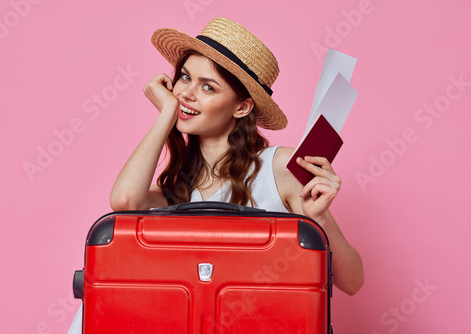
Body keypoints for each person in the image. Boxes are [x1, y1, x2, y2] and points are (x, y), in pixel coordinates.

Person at [68, 16, 363, 333]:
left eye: (207, 87)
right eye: (184, 77)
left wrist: (319, 218)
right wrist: (166, 115)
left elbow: (352, 281)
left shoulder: (281, 167)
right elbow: (124, 202)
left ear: (241, 107)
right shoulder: (178, 188)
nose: (186, 94)